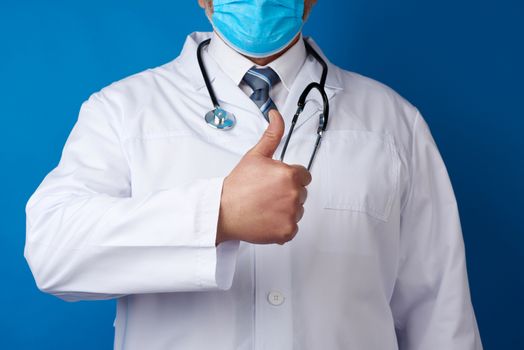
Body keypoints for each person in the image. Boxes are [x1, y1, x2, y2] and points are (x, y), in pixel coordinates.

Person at [24, 0, 483, 349]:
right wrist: (215, 215)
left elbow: (442, 316)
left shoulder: (393, 123)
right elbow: (52, 253)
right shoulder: (124, 111)